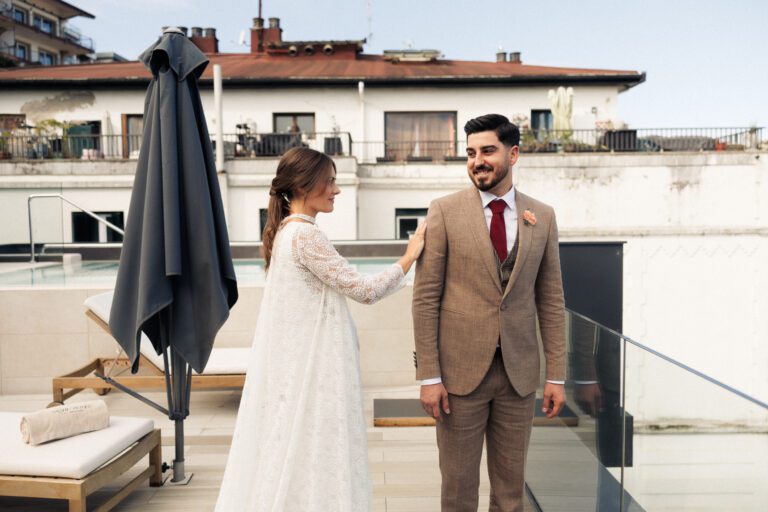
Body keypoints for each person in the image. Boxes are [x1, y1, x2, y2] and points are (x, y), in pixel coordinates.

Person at [216, 147, 426, 511]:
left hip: (300, 368)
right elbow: (364, 290)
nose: (336, 190)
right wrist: (410, 256)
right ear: (302, 185)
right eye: (329, 181)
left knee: (301, 450)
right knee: (318, 448)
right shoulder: (305, 236)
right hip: (314, 374)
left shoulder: (286, 232)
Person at [412, 114, 567, 511]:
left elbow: (550, 299)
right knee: (459, 491)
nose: (477, 161)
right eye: (470, 153)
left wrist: (556, 375)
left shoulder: (542, 216)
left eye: (487, 151)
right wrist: (429, 375)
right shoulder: (443, 211)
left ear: (513, 154)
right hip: (458, 376)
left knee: (510, 493)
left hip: (518, 376)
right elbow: (425, 298)